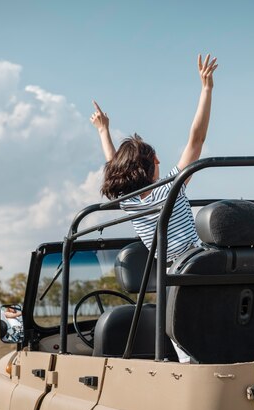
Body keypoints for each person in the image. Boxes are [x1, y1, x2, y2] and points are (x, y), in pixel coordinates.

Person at [91, 53, 218, 263]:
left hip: (168, 272)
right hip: (198, 261)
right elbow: (196, 140)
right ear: (154, 163)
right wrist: (207, 89)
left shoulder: (127, 201)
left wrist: (103, 130)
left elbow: (114, 164)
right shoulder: (170, 187)